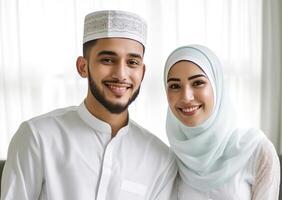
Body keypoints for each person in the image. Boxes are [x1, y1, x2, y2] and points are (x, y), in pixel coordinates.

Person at [1, 10, 177, 200]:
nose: (121, 74)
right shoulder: (37, 136)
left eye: (132, 62)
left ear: (142, 73)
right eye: (108, 60)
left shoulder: (160, 159)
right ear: (83, 67)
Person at [163, 44, 280, 199]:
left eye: (198, 83)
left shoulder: (257, 151)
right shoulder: (168, 159)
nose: (186, 97)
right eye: (175, 86)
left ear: (217, 86)